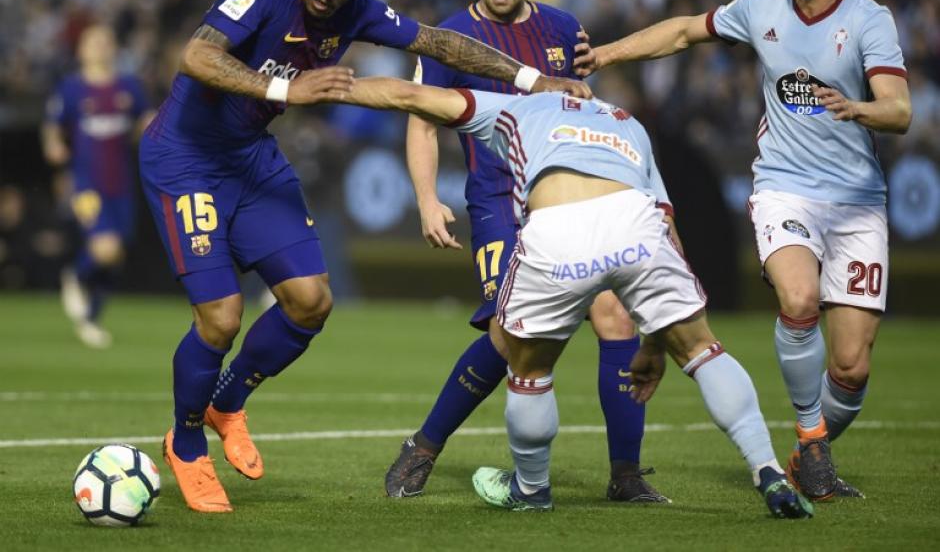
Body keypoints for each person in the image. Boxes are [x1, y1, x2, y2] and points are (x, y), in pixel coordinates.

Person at [139, 0, 589, 513]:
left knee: (311, 302)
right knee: (220, 318)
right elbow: (196, 56)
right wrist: (285, 89)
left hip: (249, 159)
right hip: (185, 158)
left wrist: (537, 81)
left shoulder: (356, 11)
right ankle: (187, 445)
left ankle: (227, 403)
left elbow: (440, 42)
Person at [296, 74, 814, 519]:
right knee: (703, 349)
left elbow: (410, 96)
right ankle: (768, 470)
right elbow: (666, 229)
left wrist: (335, 87)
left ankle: (531, 489)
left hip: (558, 227)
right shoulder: (629, 123)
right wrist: (656, 346)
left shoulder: (519, 107)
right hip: (635, 224)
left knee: (528, 368)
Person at [582, 0, 912, 501]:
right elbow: (683, 32)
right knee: (798, 295)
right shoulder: (761, 6)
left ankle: (810, 448)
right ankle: (811, 435)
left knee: (851, 367)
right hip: (784, 188)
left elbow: (899, 110)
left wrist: (858, 107)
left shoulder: (870, 20)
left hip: (858, 201)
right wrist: (607, 52)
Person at [386, 0, 665, 503]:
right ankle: (425, 445)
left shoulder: (565, 30)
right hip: (497, 204)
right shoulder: (448, 38)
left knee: (615, 316)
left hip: (568, 202)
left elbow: (585, 113)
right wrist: (427, 199)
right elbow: (423, 122)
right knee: (510, 336)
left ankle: (626, 476)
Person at [41, 24, 155, 349]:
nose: (100, 47)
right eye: (94, 42)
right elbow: (52, 126)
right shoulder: (71, 88)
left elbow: (144, 121)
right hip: (86, 183)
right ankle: (76, 276)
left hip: (121, 182)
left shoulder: (129, 86)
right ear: (81, 49)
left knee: (115, 255)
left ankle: (90, 318)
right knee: (104, 247)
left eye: (106, 41)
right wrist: (53, 145)